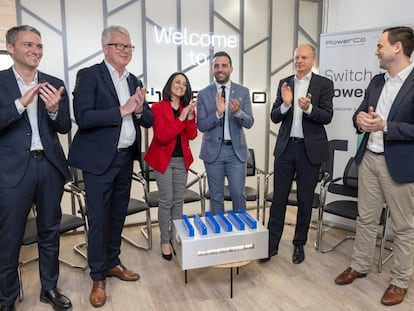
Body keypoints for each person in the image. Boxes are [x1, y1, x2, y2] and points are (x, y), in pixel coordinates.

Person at [68, 25, 154, 308]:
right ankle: (97, 276)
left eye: (130, 47)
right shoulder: (89, 75)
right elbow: (83, 116)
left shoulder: (133, 80)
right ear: (106, 48)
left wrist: (139, 109)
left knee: (118, 216)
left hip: (124, 159)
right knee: (100, 219)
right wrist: (122, 109)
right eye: (121, 46)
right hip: (98, 162)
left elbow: (148, 119)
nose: (127, 52)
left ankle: (113, 262)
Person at [335, 26, 414, 306]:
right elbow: (361, 110)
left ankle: (399, 281)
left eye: (380, 45)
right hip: (368, 159)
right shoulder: (376, 82)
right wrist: (360, 120)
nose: (376, 51)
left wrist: (387, 126)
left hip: (400, 165)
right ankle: (359, 265)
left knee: (404, 228)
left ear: (397, 48)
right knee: (366, 219)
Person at [0, 25, 72, 311]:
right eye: (29, 44)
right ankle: (6, 299)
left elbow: (65, 126)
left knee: (49, 232)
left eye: (39, 46)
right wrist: (20, 103)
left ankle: (49, 288)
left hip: (49, 168)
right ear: (10, 47)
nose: (35, 51)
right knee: (9, 237)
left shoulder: (53, 82)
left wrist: (55, 110)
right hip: (12, 172)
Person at [261, 44, 334, 264]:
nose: (299, 61)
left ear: (313, 60)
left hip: (309, 151)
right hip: (286, 149)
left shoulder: (324, 84)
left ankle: (298, 244)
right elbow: (274, 116)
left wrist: (309, 109)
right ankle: (271, 245)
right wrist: (285, 104)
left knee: (304, 201)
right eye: (296, 57)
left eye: (304, 57)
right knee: (279, 200)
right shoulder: (286, 83)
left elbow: (327, 116)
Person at [144, 72, 197, 260]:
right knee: (167, 200)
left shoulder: (186, 108)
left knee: (178, 201)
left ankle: (176, 236)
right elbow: (162, 136)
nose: (181, 86)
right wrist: (181, 118)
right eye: (177, 82)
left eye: (184, 84)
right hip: (163, 161)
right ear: (170, 85)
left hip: (181, 161)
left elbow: (192, 136)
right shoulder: (158, 107)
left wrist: (189, 118)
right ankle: (165, 241)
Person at [197, 51, 254, 214]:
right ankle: (218, 235)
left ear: (231, 68)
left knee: (238, 194)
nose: (220, 69)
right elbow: (201, 125)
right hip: (213, 153)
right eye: (216, 66)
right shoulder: (203, 94)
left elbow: (249, 122)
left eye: (224, 65)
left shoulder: (242, 91)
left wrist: (237, 112)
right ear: (212, 69)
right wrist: (218, 114)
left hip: (236, 153)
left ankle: (241, 235)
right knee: (216, 196)